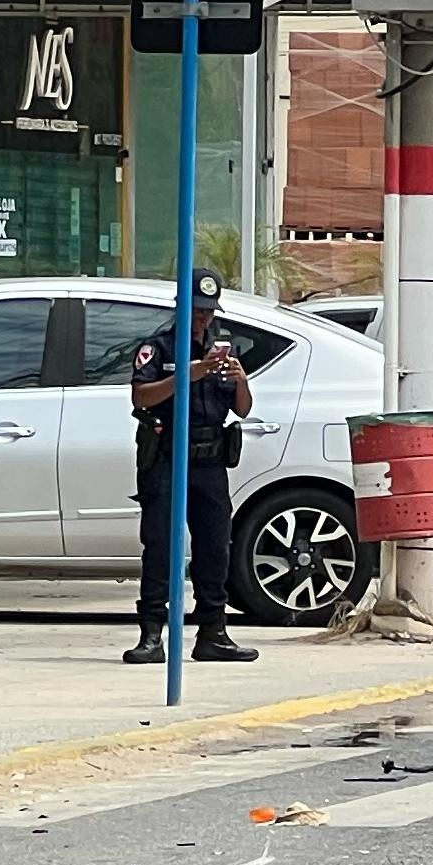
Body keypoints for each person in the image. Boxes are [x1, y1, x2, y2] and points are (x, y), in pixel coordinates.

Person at [124, 271, 258, 665]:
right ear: (181, 308)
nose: (203, 318)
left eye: (209, 312)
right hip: (166, 457)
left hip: (210, 460)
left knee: (215, 547)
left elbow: (242, 409)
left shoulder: (222, 349)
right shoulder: (158, 348)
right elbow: (141, 395)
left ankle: (213, 633)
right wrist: (189, 373)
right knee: (161, 546)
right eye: (197, 311)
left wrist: (239, 380)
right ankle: (152, 635)